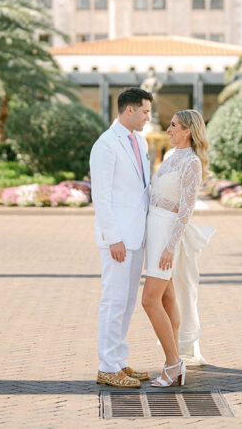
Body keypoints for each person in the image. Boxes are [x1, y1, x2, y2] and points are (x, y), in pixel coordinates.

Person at [141, 109, 214, 387]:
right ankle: (173, 360)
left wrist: (171, 246)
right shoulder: (171, 157)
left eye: (174, 126)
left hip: (167, 236)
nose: (169, 129)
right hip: (155, 229)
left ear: (188, 131)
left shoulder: (192, 163)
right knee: (168, 299)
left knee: (149, 300)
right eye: (170, 125)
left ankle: (174, 364)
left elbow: (186, 209)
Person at [90, 87, 153, 388]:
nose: (148, 118)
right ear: (130, 110)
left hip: (137, 237)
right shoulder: (105, 144)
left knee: (127, 302)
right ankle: (106, 366)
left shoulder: (140, 142)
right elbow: (100, 197)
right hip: (117, 239)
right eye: (145, 112)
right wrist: (113, 237)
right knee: (113, 301)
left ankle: (119, 361)